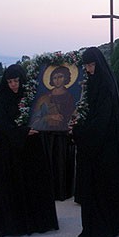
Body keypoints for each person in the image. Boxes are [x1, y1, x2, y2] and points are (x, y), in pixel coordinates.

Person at [70, 47, 119, 237]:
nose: (88, 68)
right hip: (99, 143)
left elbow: (102, 119)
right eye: (86, 65)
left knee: (98, 188)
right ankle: (109, 225)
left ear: (99, 63)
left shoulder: (105, 83)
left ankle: (98, 231)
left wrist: (79, 132)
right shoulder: (93, 82)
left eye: (91, 64)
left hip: (104, 144)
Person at [0, 64, 58, 237]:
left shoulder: (31, 97)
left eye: (16, 81)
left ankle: (38, 222)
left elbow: (42, 115)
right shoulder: (1, 100)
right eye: (10, 82)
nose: (13, 85)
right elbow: (0, 124)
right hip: (8, 151)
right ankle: (7, 226)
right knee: (8, 187)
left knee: (34, 183)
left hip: (31, 149)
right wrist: (22, 132)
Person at [30, 65, 76, 201]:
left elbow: (74, 115)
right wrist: (49, 117)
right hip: (47, 134)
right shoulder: (44, 98)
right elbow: (36, 118)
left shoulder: (71, 97)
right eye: (54, 77)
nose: (57, 80)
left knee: (63, 164)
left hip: (64, 136)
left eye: (60, 77)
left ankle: (65, 191)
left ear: (66, 78)